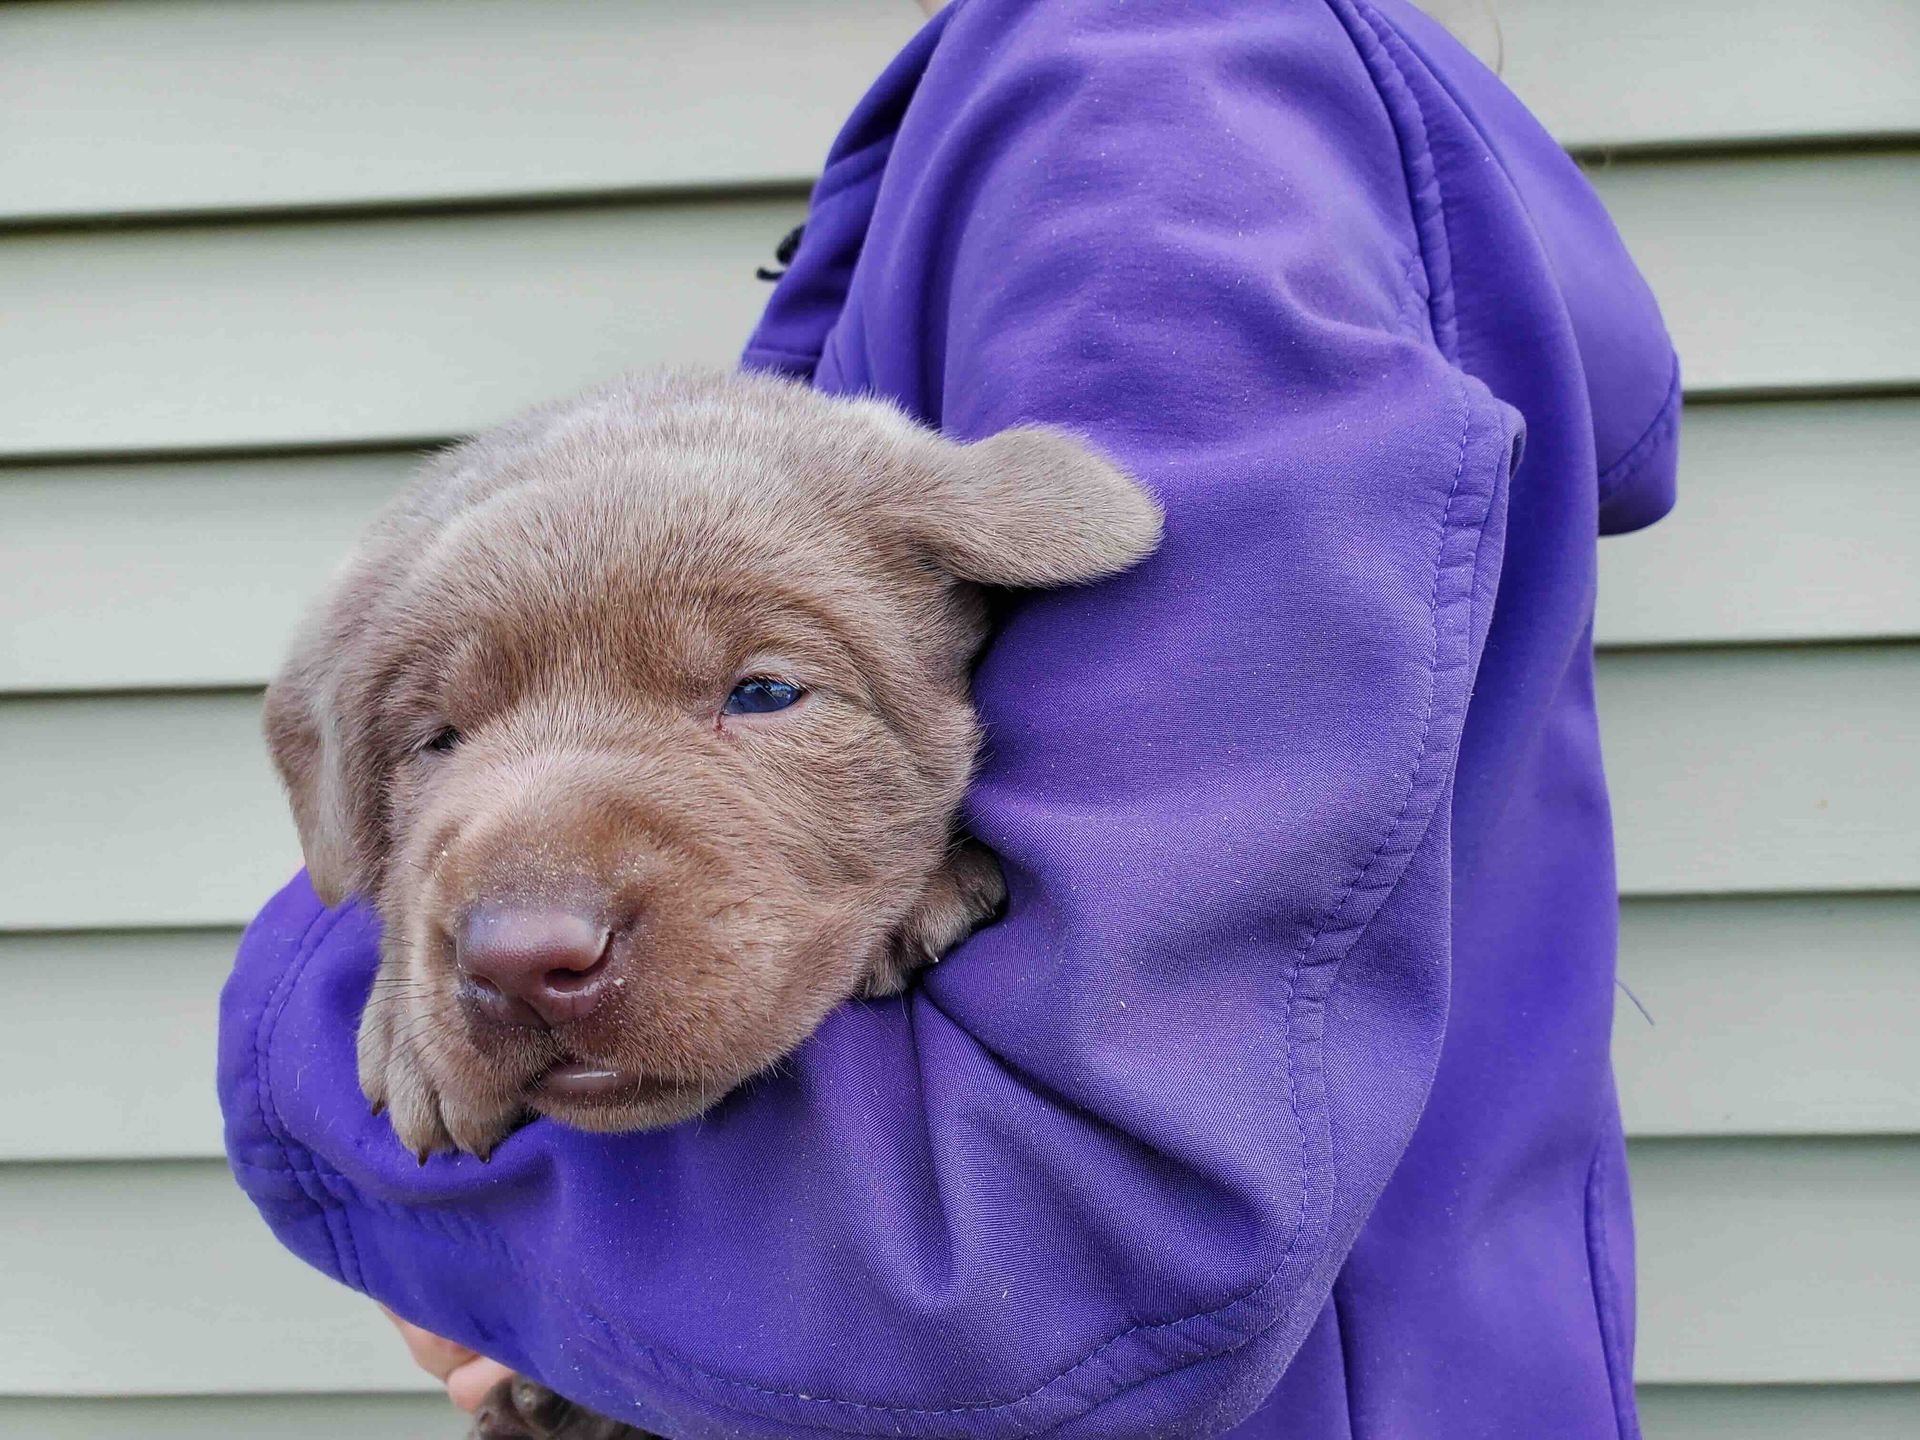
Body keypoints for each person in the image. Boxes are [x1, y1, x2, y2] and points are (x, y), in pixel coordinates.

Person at [219, 0, 1679, 1434]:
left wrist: (372, 1131)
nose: (519, 930)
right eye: (442, 740)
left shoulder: (1157, 106)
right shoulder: (991, 119)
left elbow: (1049, 1266)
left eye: (761, 691)